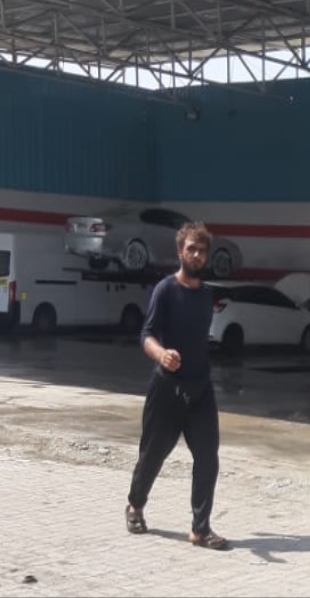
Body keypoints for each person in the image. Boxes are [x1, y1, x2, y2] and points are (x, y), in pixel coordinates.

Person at [125, 221, 227, 550]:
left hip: (201, 389)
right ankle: (135, 505)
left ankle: (200, 529)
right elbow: (146, 335)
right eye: (191, 249)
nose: (197, 255)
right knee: (153, 454)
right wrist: (162, 354)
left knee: (208, 457)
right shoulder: (165, 290)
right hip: (167, 389)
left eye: (202, 251)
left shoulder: (207, 295)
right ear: (180, 251)